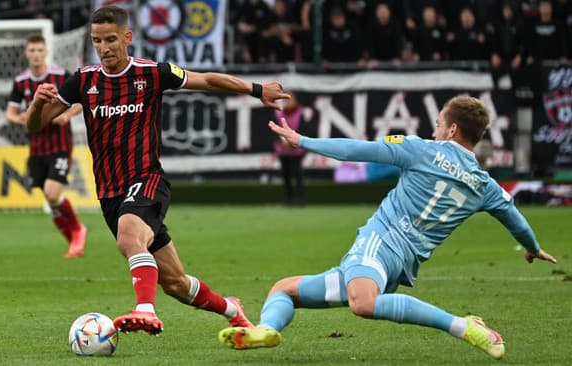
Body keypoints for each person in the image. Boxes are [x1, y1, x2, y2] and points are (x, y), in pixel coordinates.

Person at [218, 96, 558, 359]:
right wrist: (531, 247)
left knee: (363, 304)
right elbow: (516, 219)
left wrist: (302, 140)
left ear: (453, 130)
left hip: (380, 243)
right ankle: (264, 329)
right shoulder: (485, 185)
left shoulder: (420, 149)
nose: (434, 130)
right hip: (400, 264)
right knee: (284, 289)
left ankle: (462, 326)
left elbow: (357, 149)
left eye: (439, 123)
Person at [26, 5, 290, 336]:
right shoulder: (83, 80)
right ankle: (232, 309)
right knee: (176, 284)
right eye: (97, 41)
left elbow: (206, 79)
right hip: (109, 192)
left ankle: (145, 310)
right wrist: (37, 104)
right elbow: (36, 126)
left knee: (129, 236)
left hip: (147, 179)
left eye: (110, 39)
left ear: (127, 37)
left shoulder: (152, 73)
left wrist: (256, 89)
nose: (104, 48)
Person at [6, 33, 87, 258]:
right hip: (36, 147)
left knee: (53, 194)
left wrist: (67, 115)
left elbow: (81, 101)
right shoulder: (21, 81)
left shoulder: (61, 75)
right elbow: (10, 113)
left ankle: (79, 230)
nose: (35, 55)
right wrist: (21, 118)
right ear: (26, 53)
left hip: (60, 144)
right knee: (51, 203)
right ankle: (72, 241)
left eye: (39, 50)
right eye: (32, 50)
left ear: (46, 52)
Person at [273, 92, 306, 205]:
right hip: (283, 151)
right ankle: (289, 199)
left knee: (298, 175)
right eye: (285, 100)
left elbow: (303, 129)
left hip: (297, 151)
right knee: (286, 176)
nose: (287, 102)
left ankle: (301, 199)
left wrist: (292, 142)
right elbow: (274, 129)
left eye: (290, 99)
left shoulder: (300, 113)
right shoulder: (278, 114)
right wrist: (283, 142)